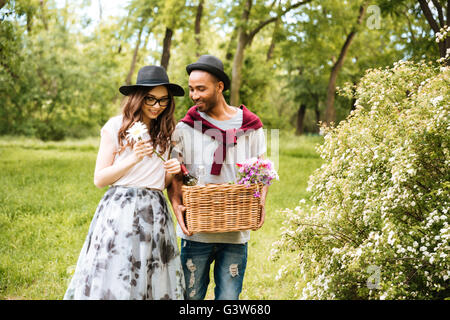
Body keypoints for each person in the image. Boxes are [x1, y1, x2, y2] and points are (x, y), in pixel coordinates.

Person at [64, 66, 186, 300]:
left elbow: (159, 182)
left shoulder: (168, 131)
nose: (156, 106)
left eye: (163, 100)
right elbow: (100, 179)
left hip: (155, 211)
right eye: (150, 98)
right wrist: (133, 158)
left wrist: (172, 171)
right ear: (138, 96)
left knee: (152, 273)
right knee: (118, 270)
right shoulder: (116, 127)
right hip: (121, 209)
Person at [167, 55, 268, 300]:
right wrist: (176, 204)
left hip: (235, 233)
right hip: (196, 233)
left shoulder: (250, 126)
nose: (194, 95)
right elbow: (175, 177)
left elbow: (262, 172)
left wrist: (261, 202)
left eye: (201, 89)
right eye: (191, 89)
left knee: (229, 298)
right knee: (191, 298)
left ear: (219, 87)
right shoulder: (184, 128)